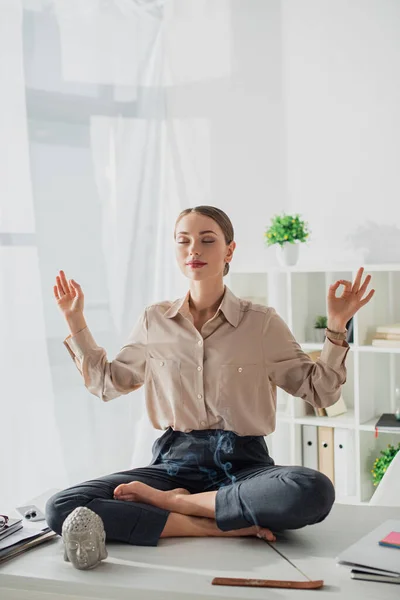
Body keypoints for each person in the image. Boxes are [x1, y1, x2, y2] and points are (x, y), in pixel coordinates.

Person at [46, 206, 375, 547]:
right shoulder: (154, 320)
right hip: (172, 465)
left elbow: (321, 394)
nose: (194, 250)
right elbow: (107, 384)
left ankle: (178, 504)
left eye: (207, 240)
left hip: (246, 468)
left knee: (313, 490)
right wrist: (75, 322)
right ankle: (210, 524)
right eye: (183, 241)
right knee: (62, 509)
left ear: (229, 250)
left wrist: (337, 327)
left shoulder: (261, 323)